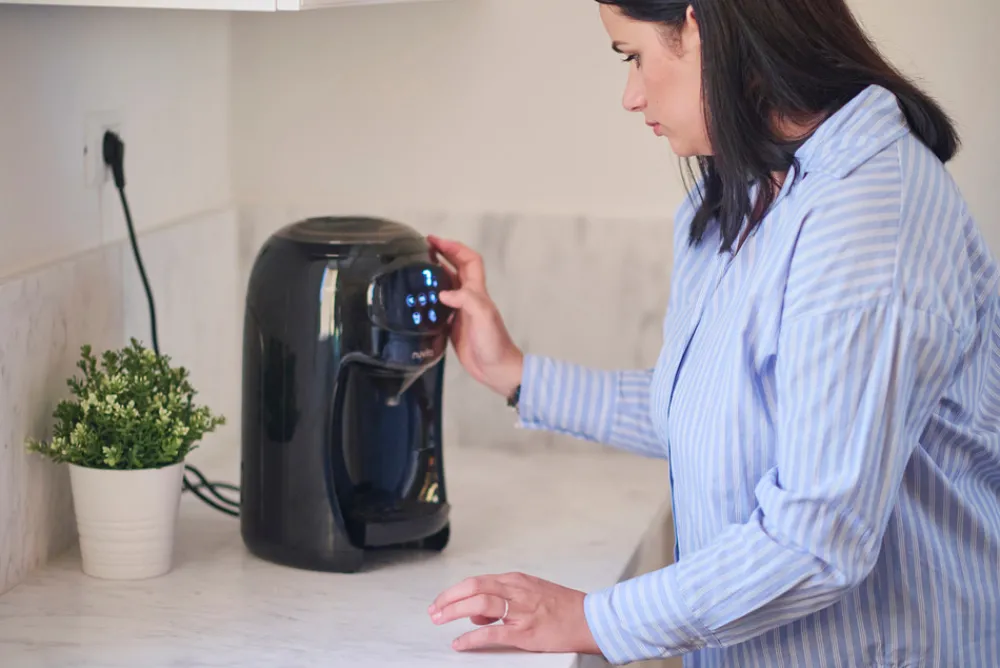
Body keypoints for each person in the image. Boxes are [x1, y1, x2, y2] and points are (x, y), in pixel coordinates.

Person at [425, 1, 1000, 666]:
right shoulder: (744, 192)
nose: (630, 95)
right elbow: (723, 413)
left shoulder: (867, 219)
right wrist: (513, 372)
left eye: (633, 56)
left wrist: (590, 618)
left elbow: (816, 541)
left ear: (699, 28)